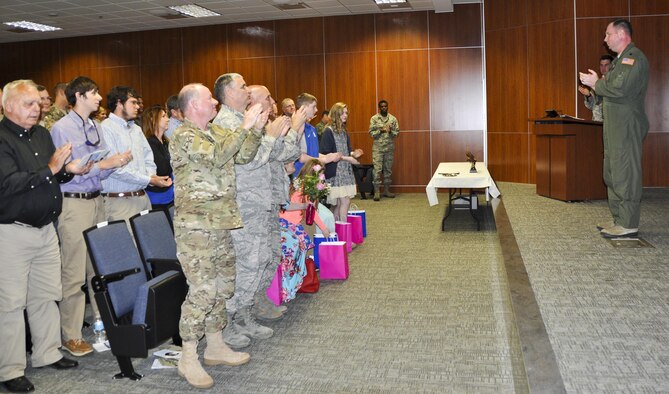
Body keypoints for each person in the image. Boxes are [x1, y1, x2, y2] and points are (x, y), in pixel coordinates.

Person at [170, 82, 265, 389]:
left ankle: (215, 346)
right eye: (209, 99)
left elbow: (244, 156)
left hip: (221, 222)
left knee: (224, 286)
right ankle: (188, 357)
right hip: (196, 228)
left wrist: (256, 129)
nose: (215, 103)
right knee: (203, 290)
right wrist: (245, 127)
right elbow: (216, 156)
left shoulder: (216, 131)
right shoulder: (184, 135)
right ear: (193, 105)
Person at [0, 79, 90, 393]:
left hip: (45, 230)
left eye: (38, 104)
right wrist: (52, 169)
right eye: (29, 104)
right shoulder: (1, 139)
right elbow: (8, 184)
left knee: (45, 295)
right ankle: (10, 369)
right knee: (10, 303)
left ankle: (47, 352)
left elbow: (52, 173)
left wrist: (68, 170)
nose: (36, 109)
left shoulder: (40, 133)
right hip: (12, 232)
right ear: (8, 106)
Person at [212, 74, 298, 348]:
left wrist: (275, 136)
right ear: (228, 92)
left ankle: (245, 313)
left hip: (259, 201)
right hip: (243, 205)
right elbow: (247, 161)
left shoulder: (241, 121)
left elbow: (272, 155)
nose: (247, 90)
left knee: (259, 260)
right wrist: (271, 137)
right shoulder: (225, 123)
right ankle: (228, 321)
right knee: (244, 264)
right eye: (242, 87)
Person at [51, 76, 131, 358]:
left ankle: (102, 323)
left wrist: (113, 164)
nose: (99, 98)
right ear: (80, 96)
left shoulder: (94, 126)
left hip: (97, 200)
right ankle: (70, 335)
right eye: (94, 93)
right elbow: (75, 170)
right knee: (73, 272)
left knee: (98, 269)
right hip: (75, 204)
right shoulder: (62, 127)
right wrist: (103, 164)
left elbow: (96, 166)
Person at [579, 19, 649, 238]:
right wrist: (597, 87)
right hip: (615, 127)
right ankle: (619, 218)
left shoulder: (633, 58)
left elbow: (619, 88)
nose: (605, 39)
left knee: (625, 173)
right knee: (612, 172)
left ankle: (628, 223)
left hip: (626, 126)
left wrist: (596, 83)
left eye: (608, 34)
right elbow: (609, 90)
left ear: (621, 34)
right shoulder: (620, 61)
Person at [100, 86, 171, 224]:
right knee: (127, 244)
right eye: (133, 102)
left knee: (147, 243)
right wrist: (148, 180)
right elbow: (115, 169)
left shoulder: (136, 129)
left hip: (142, 197)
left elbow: (149, 159)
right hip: (120, 202)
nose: (137, 106)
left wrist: (151, 176)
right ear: (119, 103)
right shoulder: (106, 128)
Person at [279, 160, 331, 303]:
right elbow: (309, 210)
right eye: (320, 173)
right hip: (289, 224)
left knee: (298, 253)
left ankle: (292, 285)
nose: (322, 176)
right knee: (294, 255)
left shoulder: (299, 184)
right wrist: (324, 228)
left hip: (293, 224)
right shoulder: (303, 187)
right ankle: (289, 286)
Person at [319, 102, 364, 221]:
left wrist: (355, 154)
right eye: (343, 113)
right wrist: (340, 157)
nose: (346, 115)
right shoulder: (328, 131)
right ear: (336, 114)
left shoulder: (344, 131)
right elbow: (324, 153)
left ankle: (335, 231)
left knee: (339, 205)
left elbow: (348, 152)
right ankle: (344, 231)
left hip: (346, 172)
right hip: (335, 173)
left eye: (346, 113)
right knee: (345, 201)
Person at [141, 105, 175, 223]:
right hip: (156, 196)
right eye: (164, 116)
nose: (168, 119)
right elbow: (162, 168)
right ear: (153, 120)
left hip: (170, 193)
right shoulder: (149, 143)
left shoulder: (166, 141)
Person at [369, 99, 400, 201]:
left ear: (387, 107)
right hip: (378, 148)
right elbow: (371, 133)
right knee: (377, 170)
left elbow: (397, 133)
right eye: (382, 106)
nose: (384, 108)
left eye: (385, 106)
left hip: (389, 148)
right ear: (379, 107)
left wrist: (391, 131)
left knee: (388, 170)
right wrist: (381, 130)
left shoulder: (393, 119)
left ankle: (386, 190)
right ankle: (377, 192)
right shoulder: (374, 119)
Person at [578, 54, 614, 122]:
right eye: (601, 65)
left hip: (609, 124)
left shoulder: (614, 83)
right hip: (596, 123)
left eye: (606, 65)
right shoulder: (596, 82)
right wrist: (588, 95)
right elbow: (591, 106)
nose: (603, 68)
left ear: (612, 66)